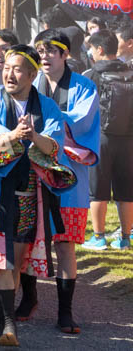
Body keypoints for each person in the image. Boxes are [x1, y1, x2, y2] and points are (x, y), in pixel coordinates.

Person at [0, 45, 76, 346]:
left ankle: (2, 318)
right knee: (0, 260)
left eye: (17, 69)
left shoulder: (47, 107)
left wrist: (33, 136)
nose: (9, 74)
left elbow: (54, 146)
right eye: (6, 68)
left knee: (16, 259)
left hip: (28, 192)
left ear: (32, 73)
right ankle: (9, 323)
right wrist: (12, 136)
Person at [19, 29, 100, 333]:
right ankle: (29, 299)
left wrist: (48, 119)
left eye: (52, 50)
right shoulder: (30, 83)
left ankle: (65, 311)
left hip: (68, 177)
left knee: (65, 245)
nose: (45, 56)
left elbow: (82, 122)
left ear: (66, 54)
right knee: (28, 241)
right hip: (31, 174)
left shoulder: (84, 86)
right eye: (40, 50)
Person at [83, 29, 133, 250]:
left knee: (98, 189)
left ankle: (99, 236)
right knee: (126, 190)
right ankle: (125, 237)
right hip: (128, 139)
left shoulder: (92, 74)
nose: (91, 53)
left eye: (92, 48)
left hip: (101, 138)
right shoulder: (129, 71)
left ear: (100, 49)